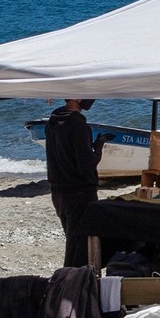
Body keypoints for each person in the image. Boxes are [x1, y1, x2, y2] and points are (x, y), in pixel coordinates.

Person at [44, 99, 106, 268]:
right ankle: (71, 285)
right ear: (76, 96)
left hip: (58, 192)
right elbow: (86, 165)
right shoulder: (78, 125)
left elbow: (64, 155)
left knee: (72, 241)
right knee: (80, 247)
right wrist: (98, 149)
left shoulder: (53, 121)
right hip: (79, 193)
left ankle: (70, 282)